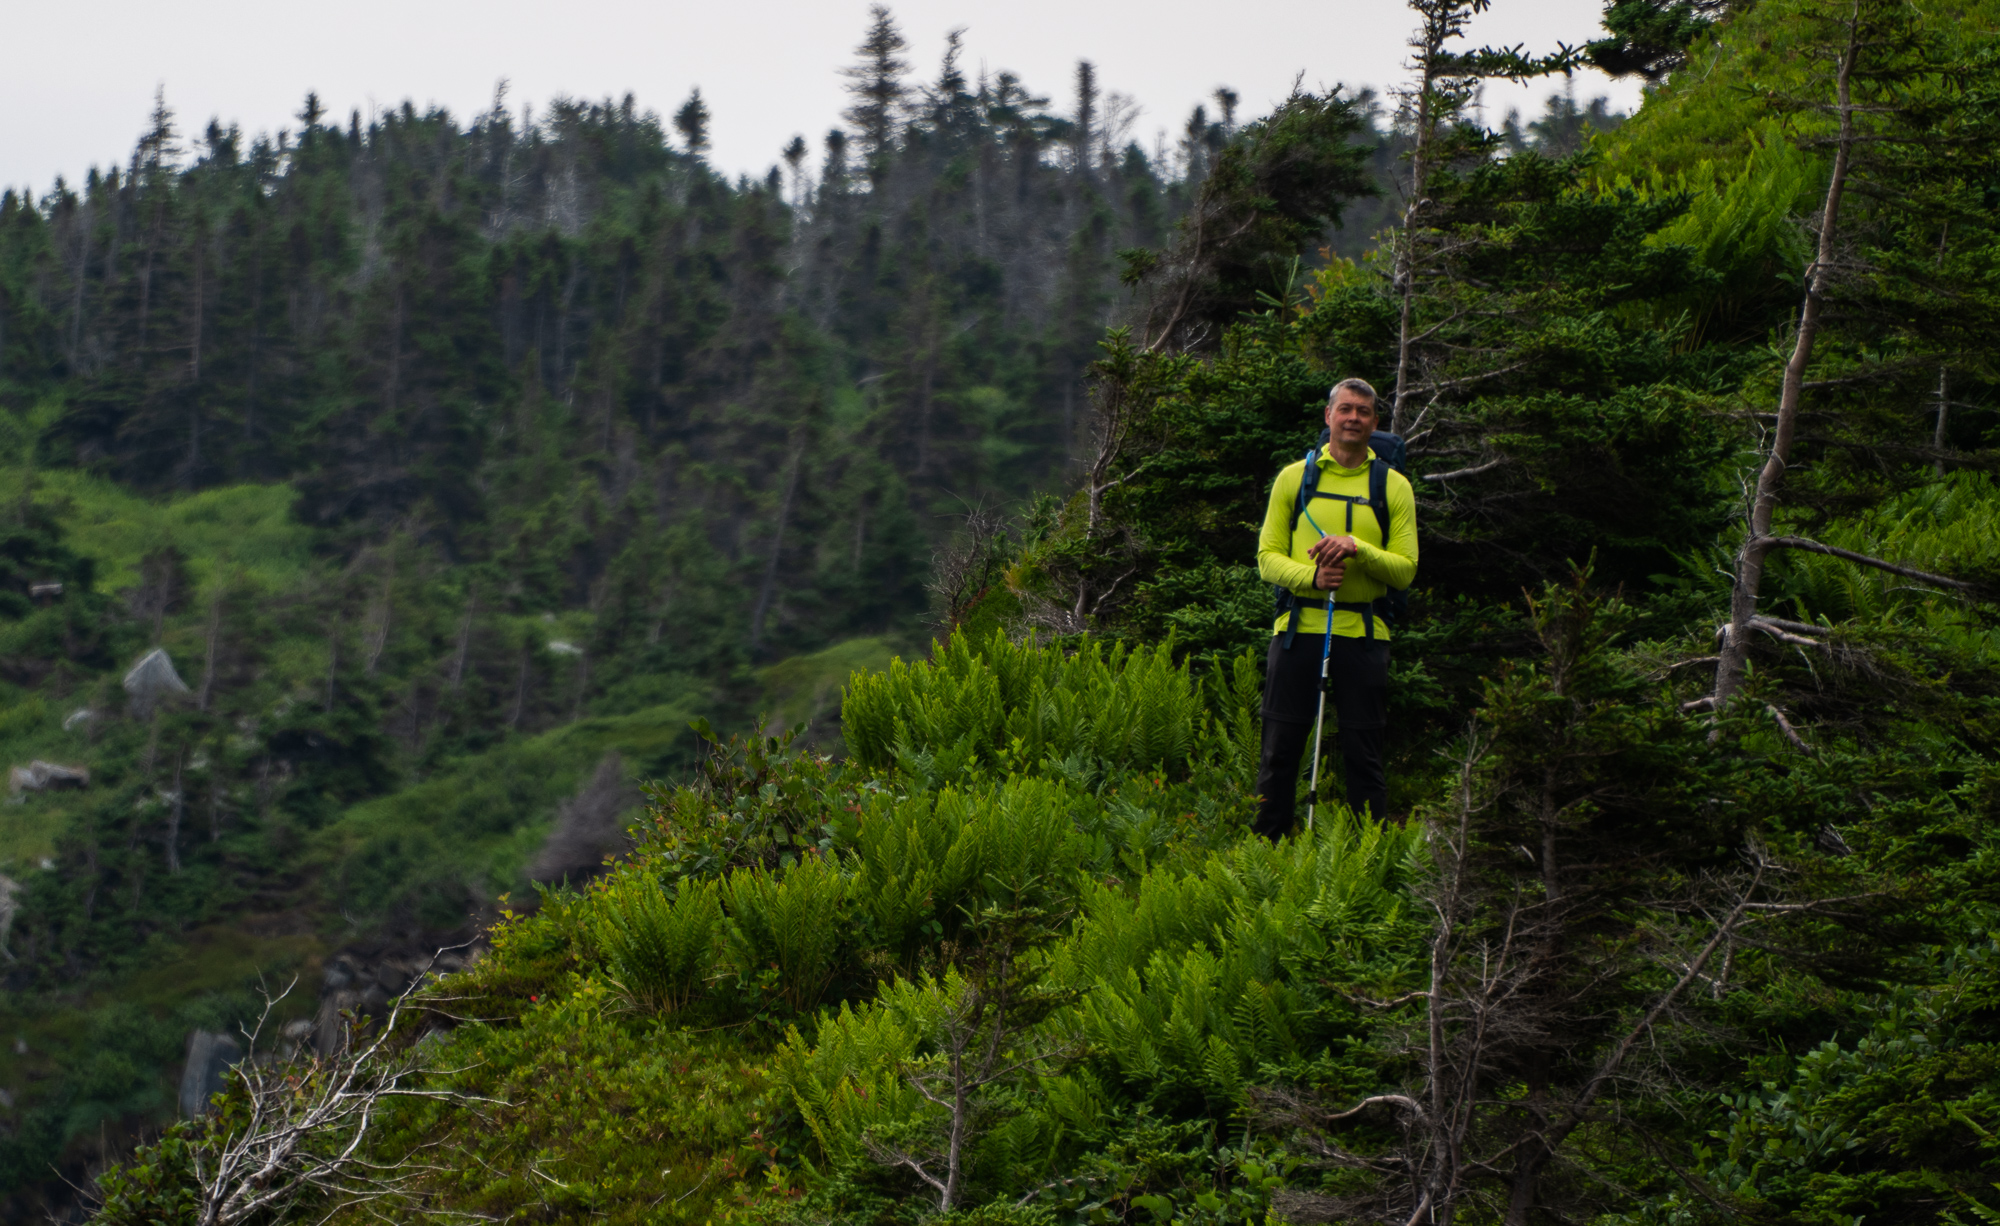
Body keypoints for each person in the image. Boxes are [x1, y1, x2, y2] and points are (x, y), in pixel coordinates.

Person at [1252, 378, 1418, 838]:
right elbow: (1266, 559)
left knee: (1364, 754)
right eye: (1345, 409)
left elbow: (1405, 569)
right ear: (1328, 416)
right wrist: (1312, 578)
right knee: (1279, 750)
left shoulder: (1393, 486)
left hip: (1364, 635)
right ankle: (1266, 854)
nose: (1353, 419)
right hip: (1297, 629)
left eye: (1363, 412)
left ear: (1375, 422)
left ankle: (1368, 857)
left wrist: (1357, 548)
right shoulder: (1294, 478)